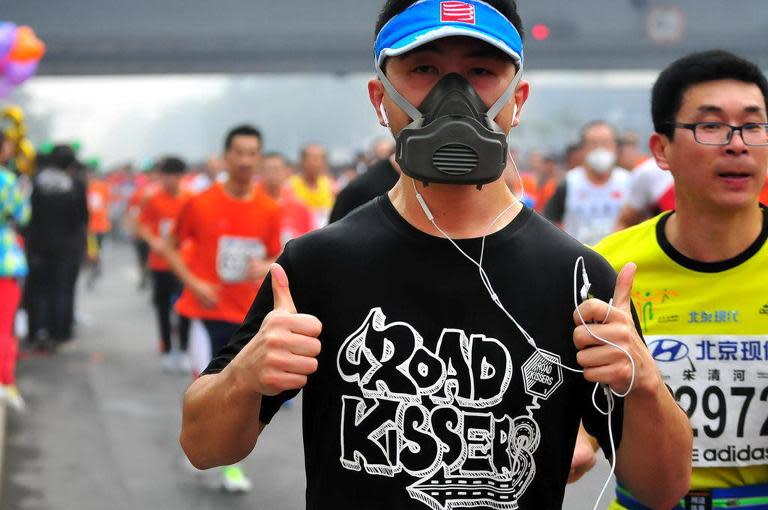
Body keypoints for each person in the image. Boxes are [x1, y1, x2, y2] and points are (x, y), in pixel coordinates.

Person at [179, 2, 691, 508]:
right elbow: (204, 447)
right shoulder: (318, 265)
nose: (455, 96)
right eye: (424, 69)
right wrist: (247, 374)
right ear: (380, 97)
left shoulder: (577, 277)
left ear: (519, 98)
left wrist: (643, 382)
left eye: (481, 71)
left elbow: (662, 489)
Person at [575, 49, 768, 509]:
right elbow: (581, 417)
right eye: (711, 126)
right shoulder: (607, 268)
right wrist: (577, 442)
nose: (736, 143)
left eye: (753, 126)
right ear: (661, 150)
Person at [162, 125, 281, 492]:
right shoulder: (199, 203)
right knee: (207, 385)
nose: (245, 160)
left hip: (248, 318)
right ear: (227, 156)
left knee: (242, 395)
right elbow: (169, 246)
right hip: (204, 313)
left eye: (252, 153)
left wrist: (266, 266)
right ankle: (200, 440)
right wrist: (194, 282)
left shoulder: (268, 208)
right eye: (239, 152)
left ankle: (228, 463)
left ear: (258, 158)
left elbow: (276, 255)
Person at [25, 145, 89, 350]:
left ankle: (40, 331)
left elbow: (30, 218)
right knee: (63, 289)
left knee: (41, 290)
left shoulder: (37, 182)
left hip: (40, 246)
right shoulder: (76, 185)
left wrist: (32, 247)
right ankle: (60, 333)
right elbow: (82, 218)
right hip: (68, 247)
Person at [136, 156, 191, 373]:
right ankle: (167, 349)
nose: (172, 181)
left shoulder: (190, 199)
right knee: (162, 308)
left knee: (185, 308)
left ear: (181, 177)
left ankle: (185, 350)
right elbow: (142, 226)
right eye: (167, 176)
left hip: (185, 263)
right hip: (160, 263)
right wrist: (154, 241)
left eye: (176, 176)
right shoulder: (154, 199)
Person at [544, 121, 630, 246]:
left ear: (615, 147)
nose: (600, 149)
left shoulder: (628, 182)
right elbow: (551, 222)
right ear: (583, 148)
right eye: (593, 144)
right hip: (578, 259)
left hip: (619, 258)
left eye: (605, 143)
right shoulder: (569, 183)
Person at [0, 131, 30, 409]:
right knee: (4, 325)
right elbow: (21, 214)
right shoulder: (7, 180)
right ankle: (4, 382)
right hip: (4, 261)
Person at [285, 143, 335, 230]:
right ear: (302, 161)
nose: (316, 163)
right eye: (313, 159)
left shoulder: (331, 187)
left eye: (321, 159)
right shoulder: (289, 187)